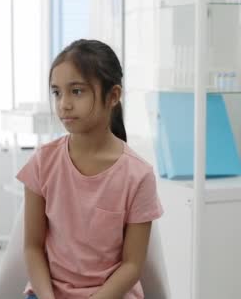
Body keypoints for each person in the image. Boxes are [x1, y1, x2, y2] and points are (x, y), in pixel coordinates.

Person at [18, 39, 163, 299]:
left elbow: (132, 265)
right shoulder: (42, 162)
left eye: (77, 91)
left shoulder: (138, 175)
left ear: (113, 96)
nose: (64, 104)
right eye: (56, 92)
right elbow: (32, 247)